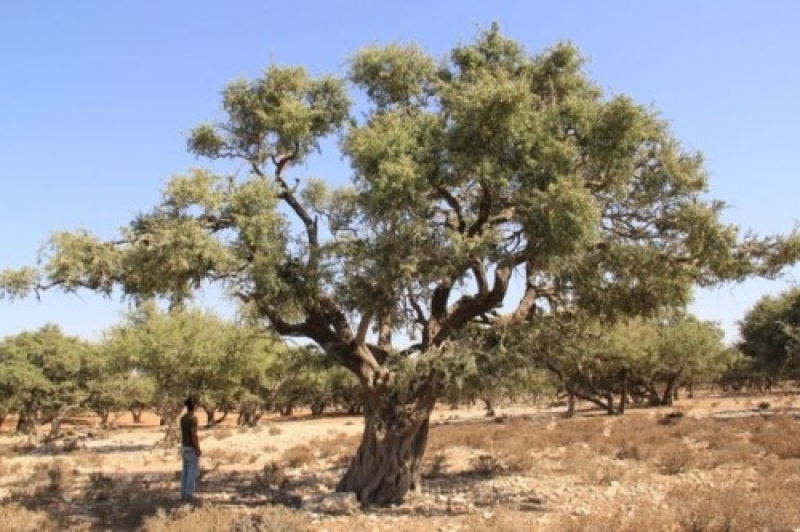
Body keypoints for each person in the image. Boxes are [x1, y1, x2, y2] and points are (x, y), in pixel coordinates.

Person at [180, 396, 202, 503]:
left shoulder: (183, 418)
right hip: (191, 448)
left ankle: (183, 494)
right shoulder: (193, 419)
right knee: (192, 473)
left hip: (184, 446)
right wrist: (197, 448)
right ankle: (189, 496)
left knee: (185, 471)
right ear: (195, 406)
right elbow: (194, 435)